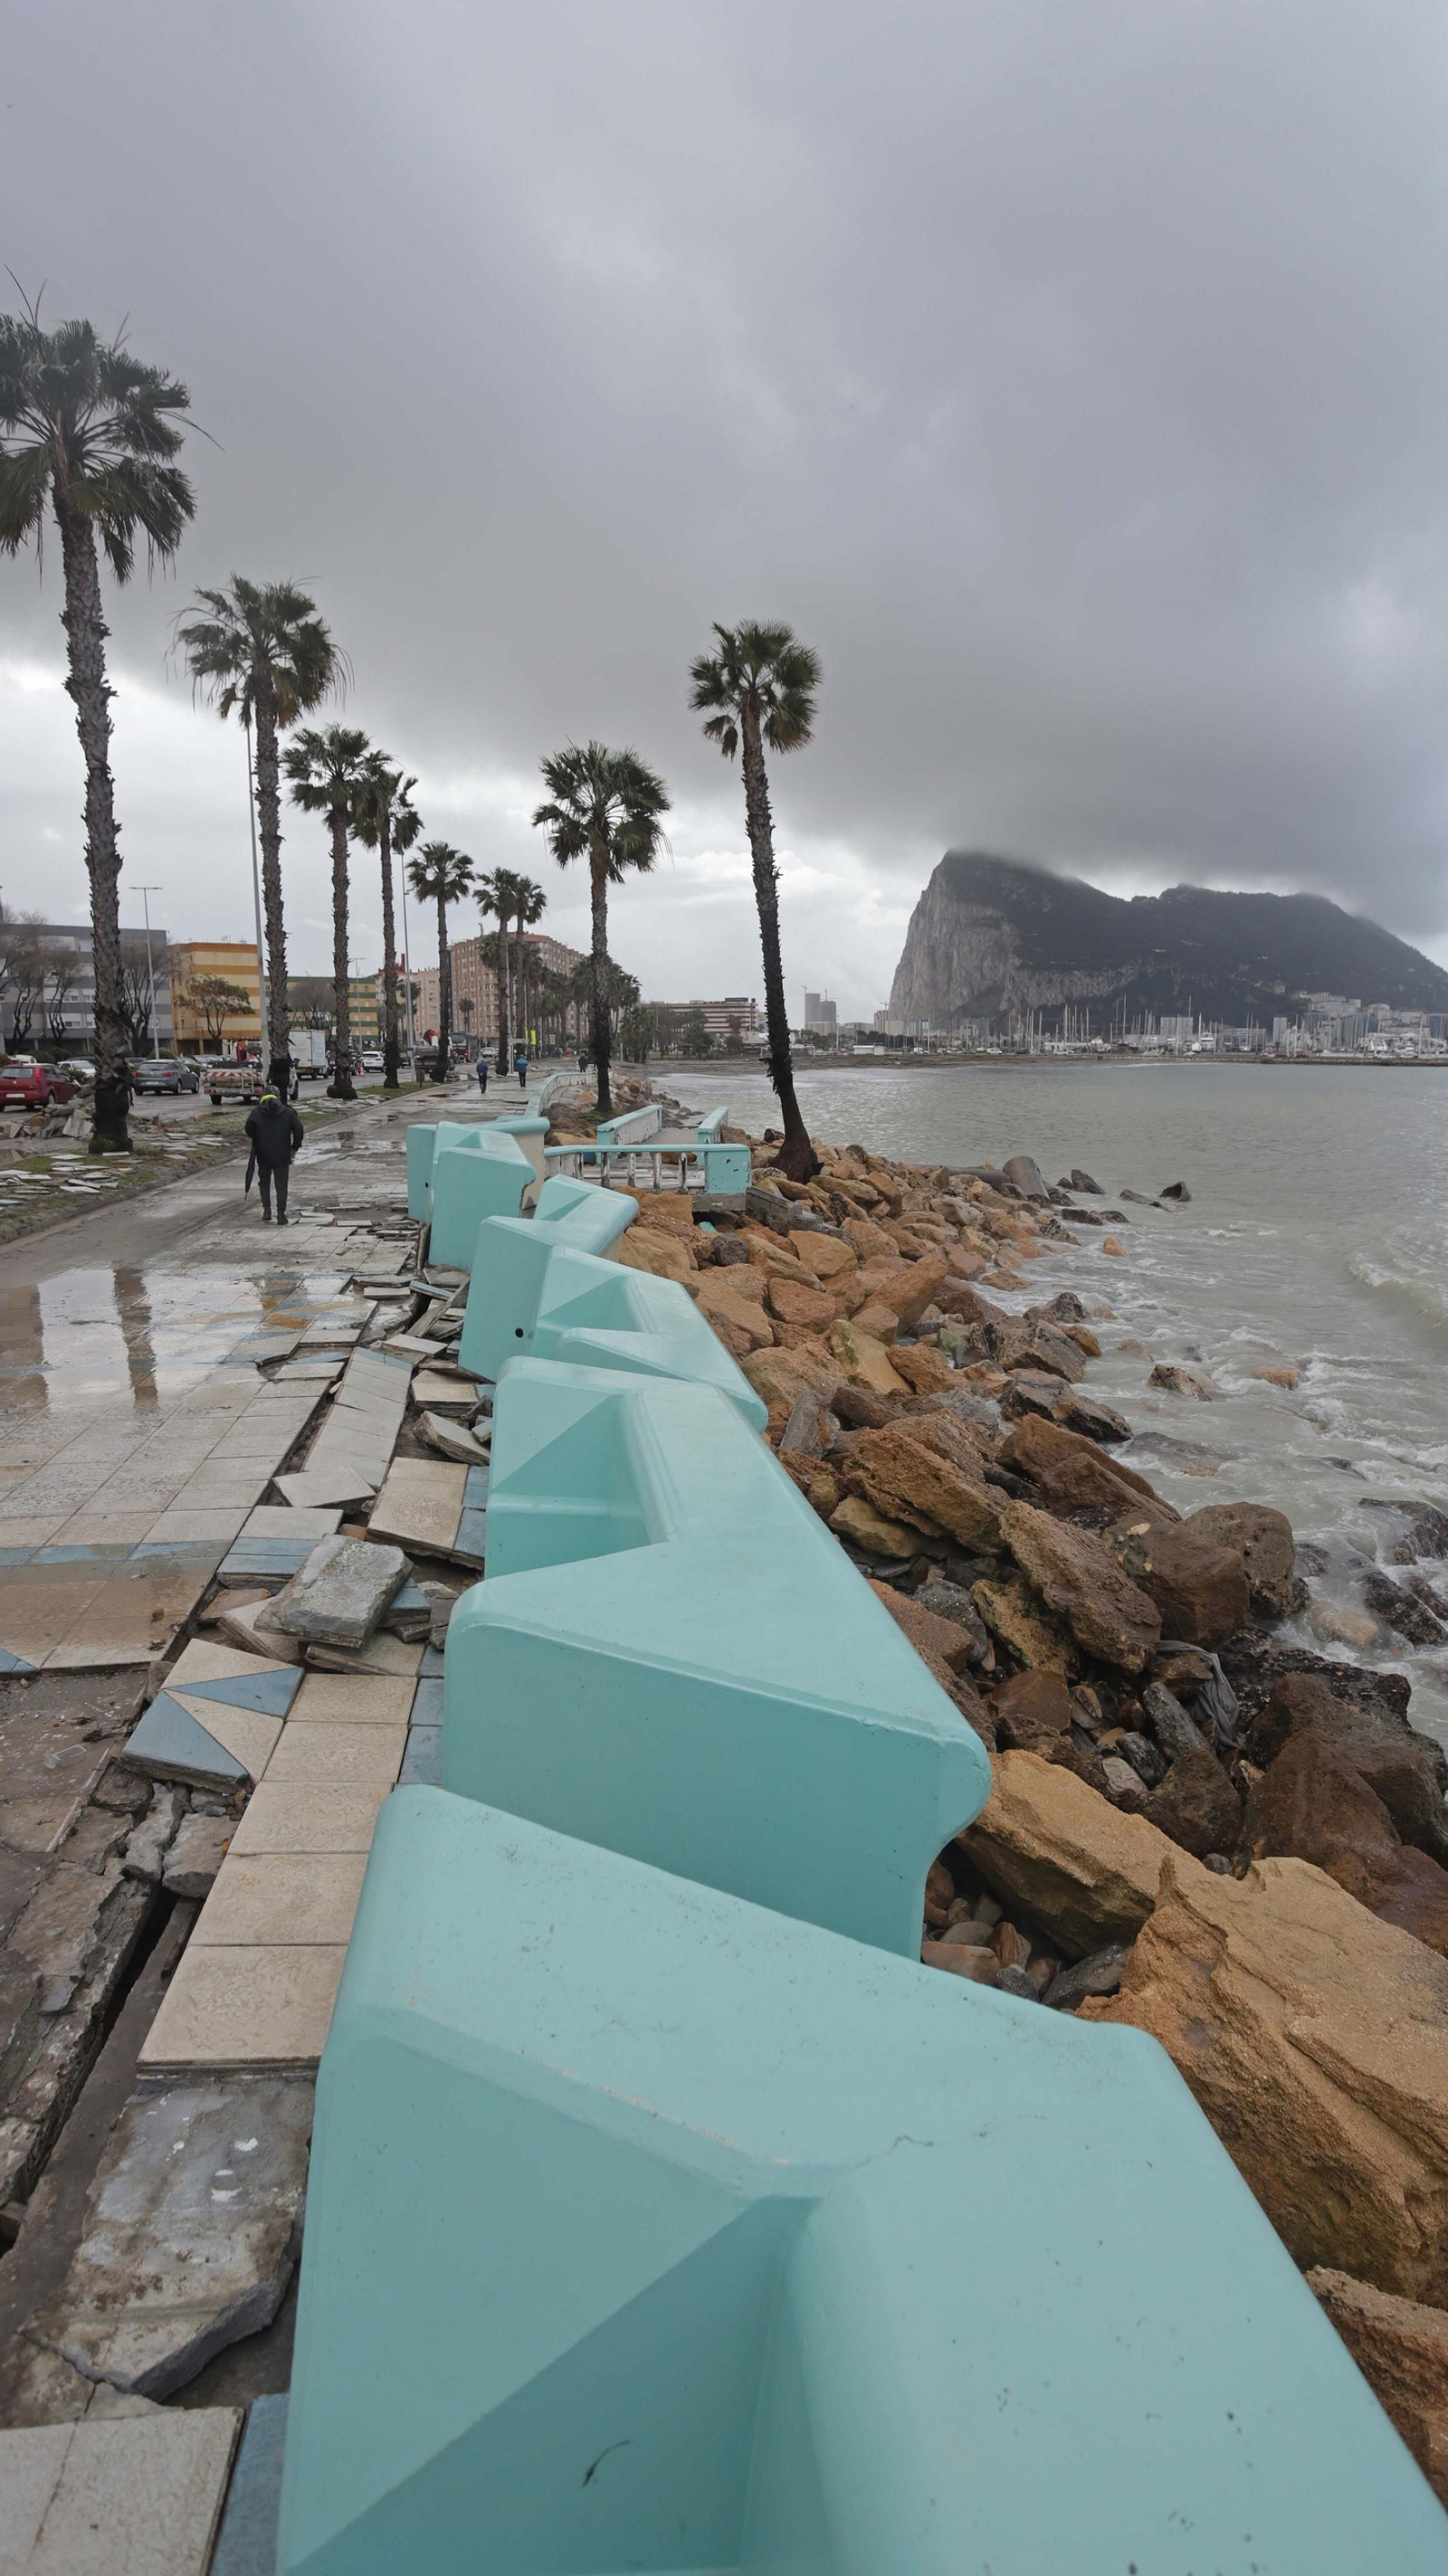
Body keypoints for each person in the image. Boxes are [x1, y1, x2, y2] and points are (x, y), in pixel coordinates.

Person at [244, 1087, 305, 1225]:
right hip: (282, 1154)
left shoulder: (256, 1113)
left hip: (263, 1154)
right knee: (281, 1185)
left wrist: (258, 1137)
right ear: (278, 1096)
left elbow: (249, 1130)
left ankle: (266, 1211)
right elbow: (299, 1130)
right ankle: (281, 1214)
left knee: (264, 1183)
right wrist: (294, 1147)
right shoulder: (288, 1112)